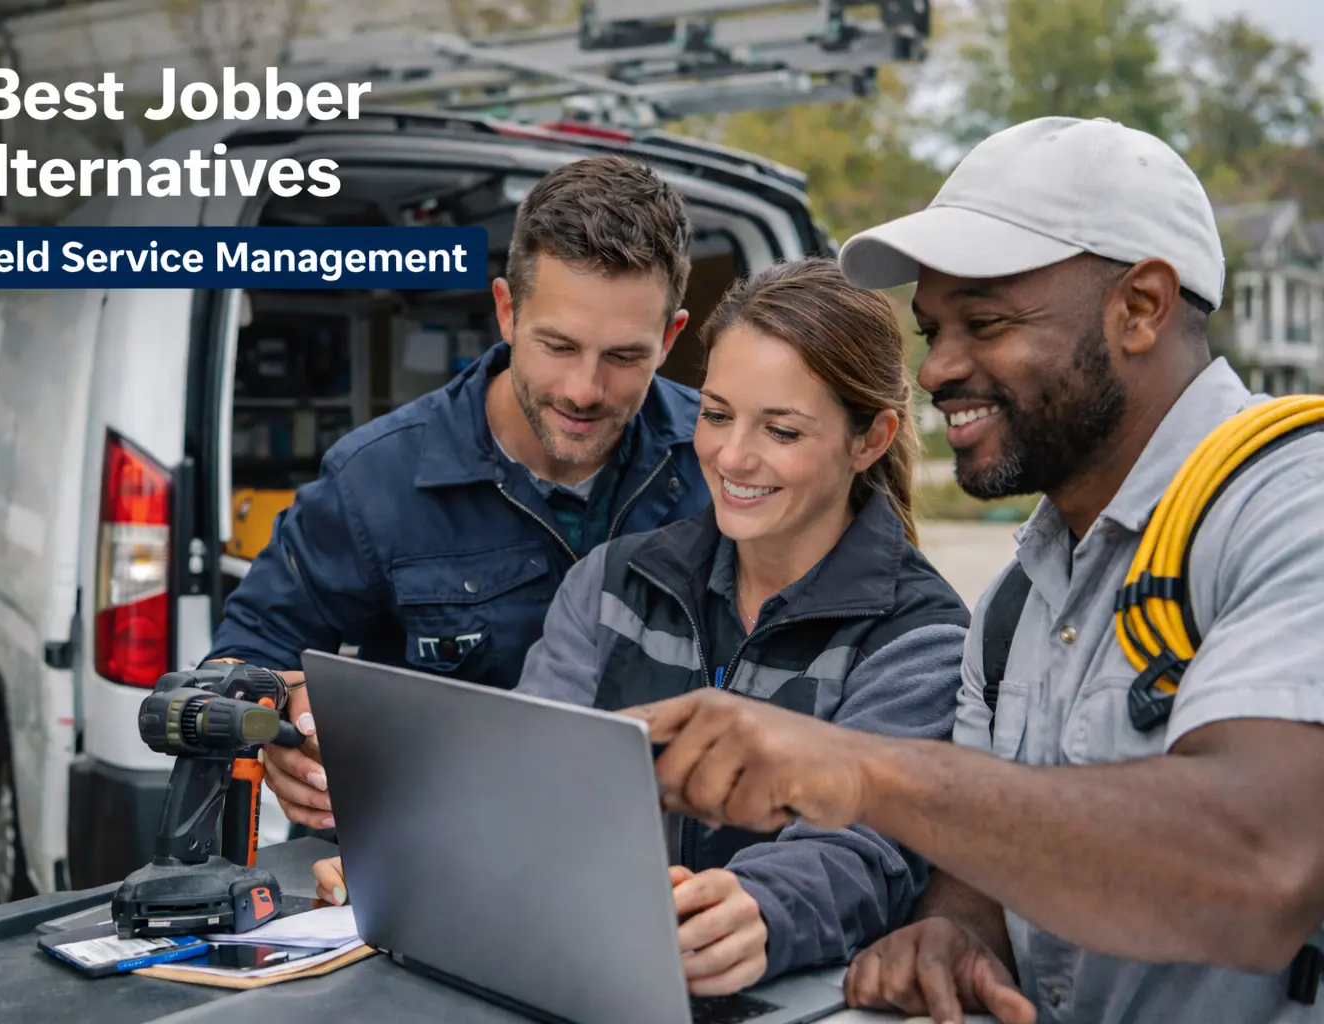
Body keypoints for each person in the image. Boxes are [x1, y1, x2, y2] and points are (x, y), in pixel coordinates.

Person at [620, 116, 1324, 1024]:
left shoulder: (1291, 506)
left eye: (985, 322)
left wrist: (868, 772)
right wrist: (958, 931)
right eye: (933, 329)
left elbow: (1263, 866)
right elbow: (983, 871)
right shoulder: (1014, 603)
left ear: (1141, 307)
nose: (939, 369)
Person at [309, 256, 974, 998]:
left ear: (871, 439)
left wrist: (761, 908)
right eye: (717, 414)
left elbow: (864, 847)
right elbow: (527, 781)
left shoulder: (921, 637)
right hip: (591, 981)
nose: (733, 456)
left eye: (781, 431)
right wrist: (420, 854)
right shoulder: (610, 582)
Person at [204, 154, 714, 832]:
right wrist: (281, 723)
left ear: (671, 336)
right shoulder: (375, 481)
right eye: (558, 346)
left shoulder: (722, 460)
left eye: (625, 357)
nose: (584, 391)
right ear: (506, 310)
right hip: (439, 854)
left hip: (671, 862)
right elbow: (242, 659)